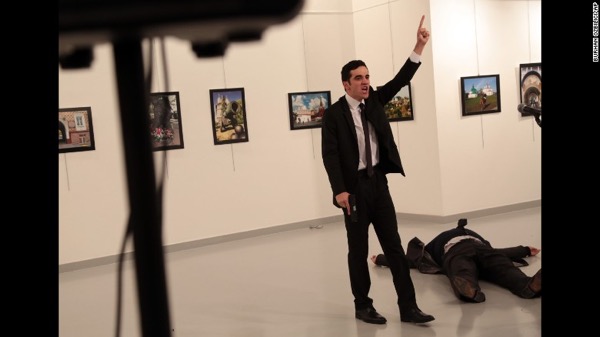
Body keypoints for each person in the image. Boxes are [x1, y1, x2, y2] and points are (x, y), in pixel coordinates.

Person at [321, 15, 434, 325]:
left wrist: (419, 46)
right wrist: (339, 190)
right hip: (353, 192)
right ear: (346, 83)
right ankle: (363, 305)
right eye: (359, 78)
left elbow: (401, 80)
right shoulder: (333, 116)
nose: (365, 82)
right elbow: (329, 156)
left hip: (378, 184)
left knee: (395, 248)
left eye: (367, 76)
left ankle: (408, 308)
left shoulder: (375, 101)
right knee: (357, 252)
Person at [370, 218, 542, 303]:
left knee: (495, 265)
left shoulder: (442, 240)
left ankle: (528, 286)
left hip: (470, 250)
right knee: (486, 266)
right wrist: (382, 259)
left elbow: (409, 261)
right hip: (465, 249)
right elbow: (409, 261)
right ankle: (471, 289)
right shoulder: (447, 239)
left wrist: (525, 250)